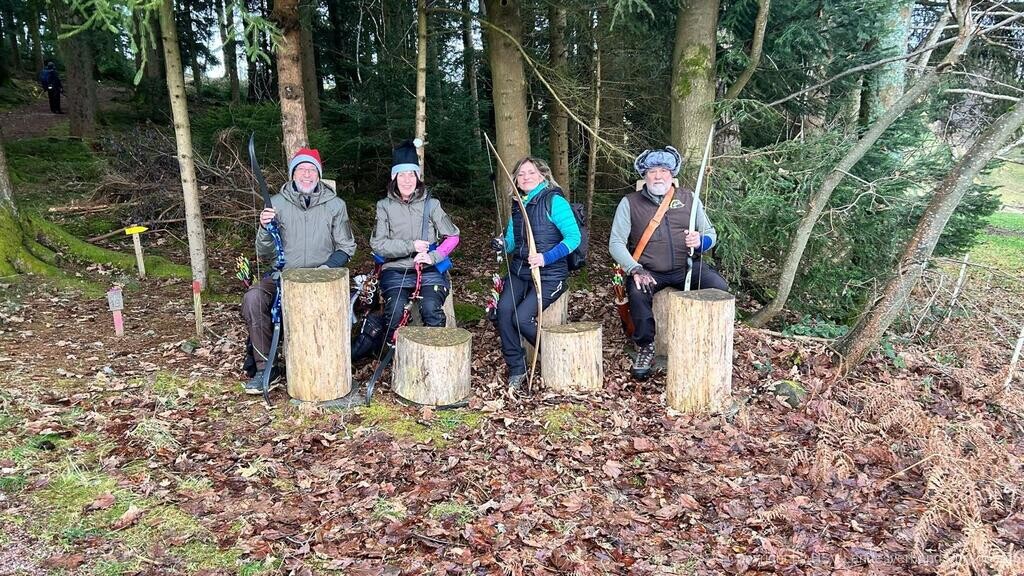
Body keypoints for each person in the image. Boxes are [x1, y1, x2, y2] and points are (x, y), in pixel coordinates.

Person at [241, 148, 357, 393]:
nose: (307, 174)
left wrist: (326, 270)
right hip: (283, 275)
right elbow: (264, 253)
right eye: (301, 169)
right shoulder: (277, 204)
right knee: (254, 298)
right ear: (293, 174)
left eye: (312, 169)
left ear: (319, 174)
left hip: (323, 280)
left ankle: (326, 369)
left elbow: (347, 246)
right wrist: (264, 228)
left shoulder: (335, 205)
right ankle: (266, 368)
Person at [608, 145, 729, 379]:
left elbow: (710, 233)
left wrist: (700, 241)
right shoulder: (630, 203)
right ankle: (645, 347)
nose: (658, 176)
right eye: (652, 171)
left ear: (672, 174)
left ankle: (704, 340)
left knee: (719, 288)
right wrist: (635, 269)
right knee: (638, 295)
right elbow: (615, 244)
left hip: (687, 268)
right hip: (649, 270)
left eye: (663, 170)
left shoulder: (689, 199)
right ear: (644, 176)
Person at [492, 156, 581, 391]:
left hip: (551, 274)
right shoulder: (518, 205)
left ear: (542, 175)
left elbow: (574, 238)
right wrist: (503, 244)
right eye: (521, 174)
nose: (526, 177)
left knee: (521, 319)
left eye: (531, 172)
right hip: (520, 270)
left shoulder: (554, 201)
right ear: (516, 181)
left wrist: (545, 257)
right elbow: (512, 240)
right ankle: (517, 367)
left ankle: (555, 356)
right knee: (503, 312)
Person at [370, 139, 460, 343]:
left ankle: (437, 360)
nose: (407, 180)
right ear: (394, 177)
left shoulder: (432, 204)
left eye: (411, 174)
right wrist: (411, 245)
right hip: (395, 269)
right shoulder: (383, 206)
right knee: (395, 313)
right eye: (402, 175)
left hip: (428, 270)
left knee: (431, 310)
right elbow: (378, 244)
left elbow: (453, 236)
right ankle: (399, 362)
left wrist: (433, 256)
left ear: (418, 177)